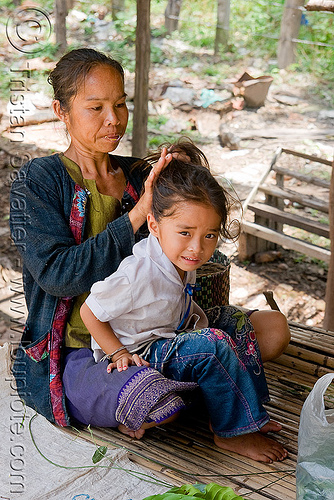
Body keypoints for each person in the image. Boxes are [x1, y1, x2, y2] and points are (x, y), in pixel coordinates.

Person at [9, 47, 290, 463]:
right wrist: (139, 214)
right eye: (96, 107)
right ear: (61, 111)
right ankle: (196, 394)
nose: (114, 119)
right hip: (86, 351)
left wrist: (185, 176)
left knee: (271, 330)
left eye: (121, 104)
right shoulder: (38, 181)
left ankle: (208, 389)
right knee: (155, 402)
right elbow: (58, 275)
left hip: (159, 332)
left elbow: (195, 220)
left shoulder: (142, 174)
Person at [80, 143, 290, 463]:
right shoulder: (141, 273)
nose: (197, 247)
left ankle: (250, 413)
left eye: (209, 235)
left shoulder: (180, 259)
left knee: (235, 322)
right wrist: (118, 351)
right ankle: (231, 433)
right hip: (144, 352)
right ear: (154, 225)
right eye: (185, 232)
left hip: (170, 336)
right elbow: (89, 311)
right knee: (213, 344)